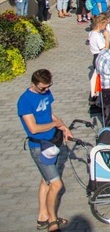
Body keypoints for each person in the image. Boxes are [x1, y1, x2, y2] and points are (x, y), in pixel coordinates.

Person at [18, 69, 73, 231]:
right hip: (38, 146)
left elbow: (50, 113)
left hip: (51, 143)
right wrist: (55, 125)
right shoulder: (25, 100)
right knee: (56, 185)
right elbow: (33, 128)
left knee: (46, 181)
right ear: (33, 84)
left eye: (49, 87)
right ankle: (52, 222)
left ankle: (42, 217)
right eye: (42, 88)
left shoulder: (46, 93)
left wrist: (63, 126)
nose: (46, 90)